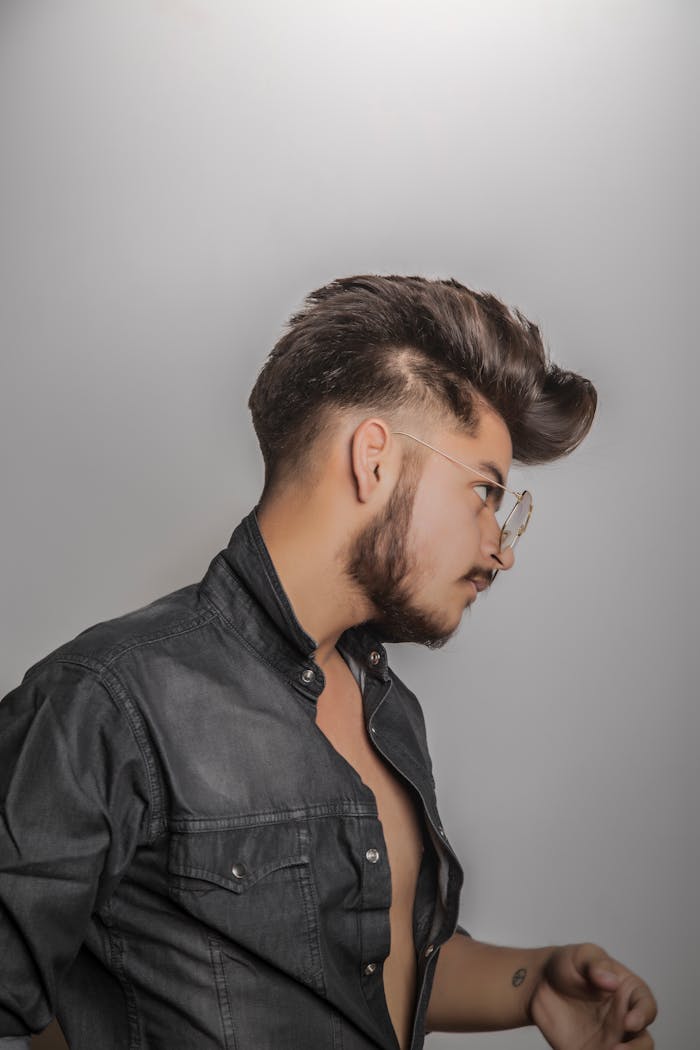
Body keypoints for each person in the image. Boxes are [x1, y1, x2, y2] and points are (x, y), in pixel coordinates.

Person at [0, 275, 656, 1050]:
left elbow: (366, 964)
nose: (501, 549)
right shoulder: (105, 701)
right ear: (374, 459)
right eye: (485, 493)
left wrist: (533, 980)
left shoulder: (386, 707)